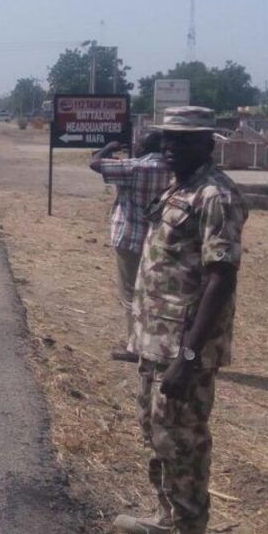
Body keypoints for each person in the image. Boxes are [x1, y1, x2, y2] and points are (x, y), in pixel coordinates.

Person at [115, 107, 248, 534]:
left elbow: (221, 278)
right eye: (167, 137)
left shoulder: (216, 195)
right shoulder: (181, 186)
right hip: (157, 339)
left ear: (207, 144)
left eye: (182, 140)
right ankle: (166, 516)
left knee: (183, 441)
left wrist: (188, 359)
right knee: (155, 431)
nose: (169, 146)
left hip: (184, 348)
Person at [90, 130, 171, 362]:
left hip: (130, 238)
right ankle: (159, 343)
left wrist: (109, 147)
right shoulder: (173, 169)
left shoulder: (134, 167)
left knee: (131, 294)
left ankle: (135, 346)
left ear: (143, 148)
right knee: (157, 294)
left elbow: (95, 163)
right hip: (160, 240)